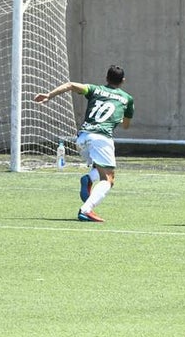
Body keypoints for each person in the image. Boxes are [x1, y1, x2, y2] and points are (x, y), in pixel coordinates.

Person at [34, 65, 134, 223]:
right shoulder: (127, 99)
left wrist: (49, 95)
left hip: (82, 138)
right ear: (123, 81)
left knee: (98, 166)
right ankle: (86, 210)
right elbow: (126, 125)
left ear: (106, 78)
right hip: (101, 138)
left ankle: (88, 178)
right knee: (108, 179)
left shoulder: (94, 89)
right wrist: (120, 118)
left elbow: (70, 85)